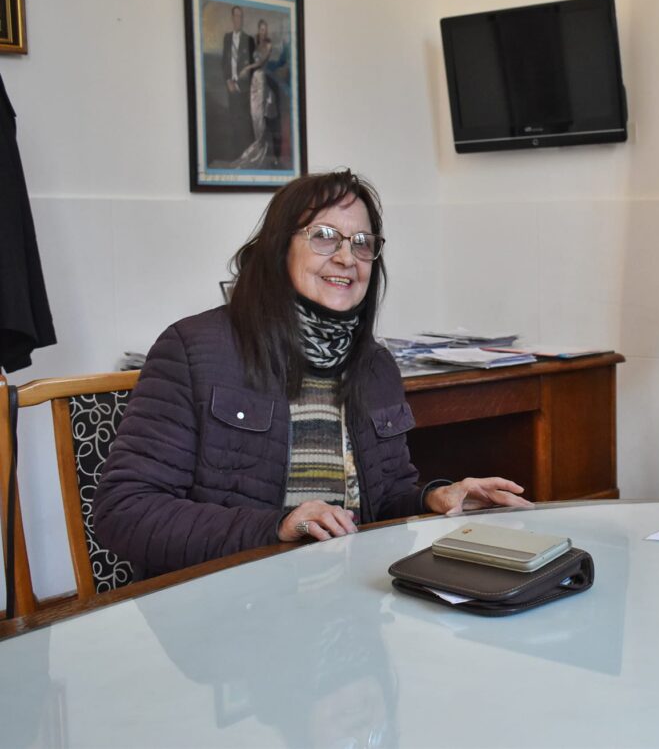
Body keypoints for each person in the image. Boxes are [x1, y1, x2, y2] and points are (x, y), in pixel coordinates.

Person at [95, 170, 531, 579]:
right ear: (279, 247)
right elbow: (126, 512)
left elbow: (384, 501)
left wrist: (435, 496)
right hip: (226, 606)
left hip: (349, 602)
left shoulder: (375, 364)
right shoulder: (193, 349)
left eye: (362, 242)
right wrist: (277, 526)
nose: (346, 257)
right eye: (324, 237)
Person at [232, 19, 279, 169]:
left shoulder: (268, 44)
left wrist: (247, 68)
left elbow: (260, 63)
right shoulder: (256, 43)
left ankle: (263, 152)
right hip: (254, 80)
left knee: (259, 115)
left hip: (261, 80)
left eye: (265, 29)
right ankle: (259, 148)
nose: (263, 31)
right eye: (261, 29)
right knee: (253, 114)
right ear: (259, 29)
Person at [221, 5, 255, 157]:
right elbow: (224, 62)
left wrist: (241, 83)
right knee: (233, 122)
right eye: (235, 16)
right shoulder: (227, 38)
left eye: (240, 17)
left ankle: (245, 157)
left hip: (244, 89)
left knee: (245, 124)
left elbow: (252, 67)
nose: (238, 20)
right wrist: (228, 81)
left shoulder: (249, 39)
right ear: (232, 18)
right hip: (231, 87)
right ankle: (235, 156)